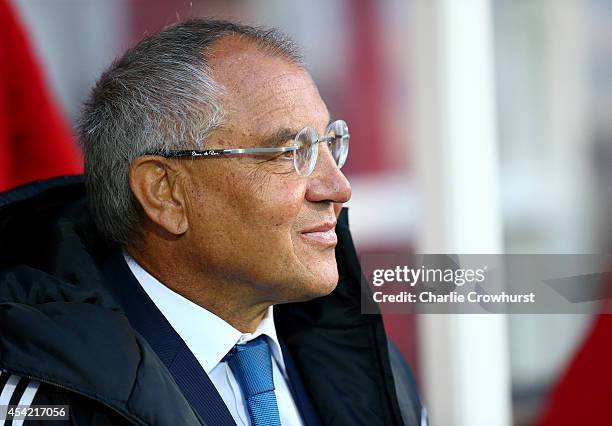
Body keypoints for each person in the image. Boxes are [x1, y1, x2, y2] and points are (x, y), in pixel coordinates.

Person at [0, 19, 425, 426]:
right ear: (164, 193)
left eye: (329, 144)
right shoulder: (40, 400)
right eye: (290, 153)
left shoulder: (366, 358)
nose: (338, 187)